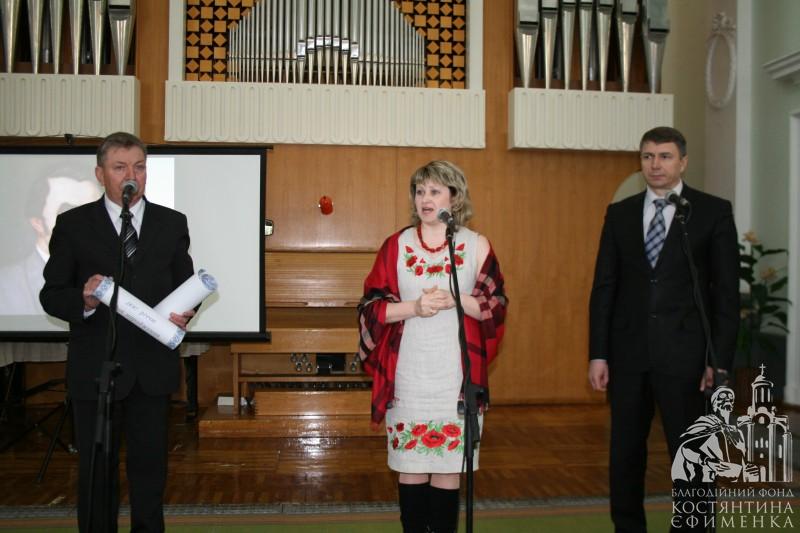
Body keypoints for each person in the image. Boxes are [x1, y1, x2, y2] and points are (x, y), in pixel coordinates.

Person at [40, 132, 196, 532]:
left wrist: (185, 312)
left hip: (151, 368)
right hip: (97, 369)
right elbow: (52, 295)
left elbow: (185, 287)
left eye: (139, 167)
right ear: (100, 174)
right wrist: (85, 300)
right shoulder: (73, 225)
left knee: (150, 473)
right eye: (120, 167)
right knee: (96, 474)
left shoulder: (171, 223)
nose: (132, 176)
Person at [588, 126, 740, 532]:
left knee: (692, 454)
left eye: (665, 156)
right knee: (625, 453)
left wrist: (718, 361)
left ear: (683, 162)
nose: (655, 164)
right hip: (628, 356)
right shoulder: (619, 214)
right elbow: (604, 287)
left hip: (688, 357)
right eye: (648, 156)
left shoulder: (711, 212)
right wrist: (598, 353)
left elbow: (726, 295)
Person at [358, 160, 507, 533]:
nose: (425, 199)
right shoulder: (397, 245)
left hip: (456, 379)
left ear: (454, 198)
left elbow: (495, 307)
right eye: (420, 191)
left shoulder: (475, 245)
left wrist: (456, 299)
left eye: (435, 191)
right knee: (410, 468)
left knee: (447, 470)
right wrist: (415, 307)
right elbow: (371, 309)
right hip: (409, 376)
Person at [0, 173, 100, 315]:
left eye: (93, 214)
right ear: (38, 223)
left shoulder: (116, 270)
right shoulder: (6, 286)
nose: (85, 224)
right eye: (69, 213)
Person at [671, 386, 758, 483]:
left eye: (730, 397)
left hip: (732, 479)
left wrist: (748, 468)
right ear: (715, 403)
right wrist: (706, 461)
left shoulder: (737, 432)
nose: (727, 399)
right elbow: (686, 447)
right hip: (707, 478)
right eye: (723, 396)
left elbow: (741, 458)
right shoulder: (707, 424)